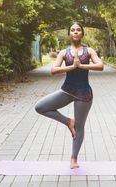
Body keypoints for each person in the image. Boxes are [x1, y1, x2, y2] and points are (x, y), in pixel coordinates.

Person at [34, 22, 104, 169]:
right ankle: (68, 122)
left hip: (84, 94)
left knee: (80, 127)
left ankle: (74, 158)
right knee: (40, 107)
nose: (76, 32)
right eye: (72, 30)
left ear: (82, 34)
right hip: (67, 90)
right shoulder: (64, 52)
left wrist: (82, 66)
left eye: (78, 30)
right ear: (69, 34)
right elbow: (53, 70)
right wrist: (71, 67)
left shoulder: (89, 51)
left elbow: (100, 65)